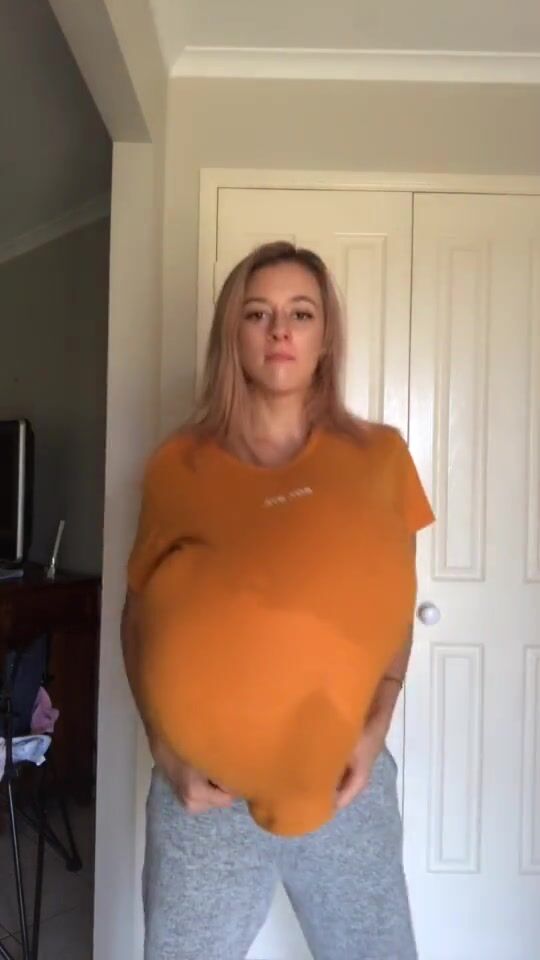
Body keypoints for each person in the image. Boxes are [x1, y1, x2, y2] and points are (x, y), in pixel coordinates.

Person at [122, 241, 435, 960]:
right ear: (232, 335)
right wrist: (164, 751)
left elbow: (392, 611)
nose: (280, 331)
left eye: (301, 313)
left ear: (326, 338)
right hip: (206, 800)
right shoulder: (177, 467)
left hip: (346, 786)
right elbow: (139, 621)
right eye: (257, 313)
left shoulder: (381, 459)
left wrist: (376, 726)